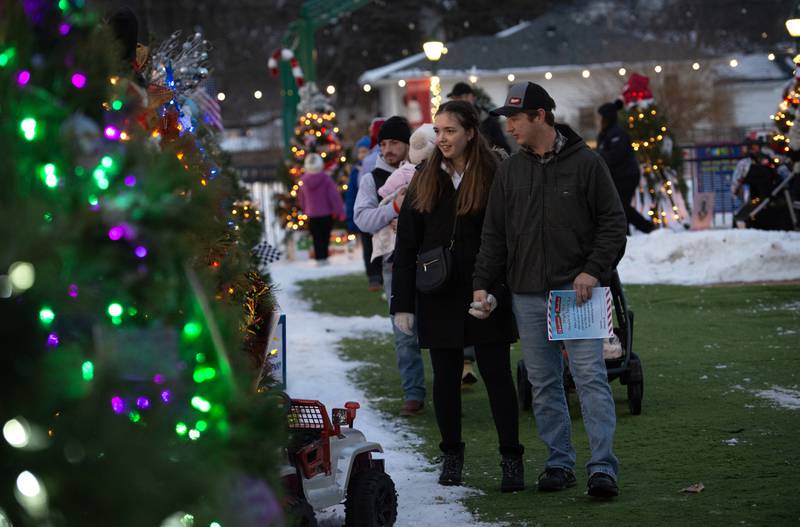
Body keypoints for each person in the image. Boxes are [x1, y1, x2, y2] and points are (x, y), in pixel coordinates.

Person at [472, 82, 627, 498]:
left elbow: (614, 225)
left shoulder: (588, 164)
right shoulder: (510, 171)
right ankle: (559, 463)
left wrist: (592, 272)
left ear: (541, 116)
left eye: (516, 118)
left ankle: (602, 469)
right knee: (542, 383)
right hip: (526, 295)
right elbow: (495, 235)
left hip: (576, 294)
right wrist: (482, 285)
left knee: (590, 378)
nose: (510, 127)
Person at [391, 101, 523, 492]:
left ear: (469, 131)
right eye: (438, 131)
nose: (442, 138)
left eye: (450, 130)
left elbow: (508, 242)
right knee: (445, 378)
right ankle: (451, 456)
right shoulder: (425, 176)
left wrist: (498, 293)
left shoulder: (495, 173)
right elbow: (406, 246)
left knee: (497, 375)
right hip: (438, 291)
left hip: (485, 291)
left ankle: (511, 459)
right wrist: (402, 303)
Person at [354, 116, 426, 417]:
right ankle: (413, 392)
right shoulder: (372, 178)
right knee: (403, 331)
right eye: (383, 144)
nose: (388, 149)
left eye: (394, 142)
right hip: (393, 263)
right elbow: (362, 219)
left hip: (428, 259)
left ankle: (457, 374)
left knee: (439, 325)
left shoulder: (425, 172)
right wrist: (394, 208)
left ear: (408, 144)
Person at [596, 99, 653, 234]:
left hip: (626, 175)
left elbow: (616, 155)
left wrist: (598, 157)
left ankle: (644, 228)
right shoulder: (604, 134)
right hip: (617, 176)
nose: (600, 121)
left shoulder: (617, 133)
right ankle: (629, 231)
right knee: (620, 206)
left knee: (620, 205)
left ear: (607, 118)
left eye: (602, 117)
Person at [345, 135, 383, 290]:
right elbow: (351, 196)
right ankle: (372, 277)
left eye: (365, 151)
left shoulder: (377, 168)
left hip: (377, 214)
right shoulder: (356, 172)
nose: (362, 154)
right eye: (360, 152)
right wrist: (351, 218)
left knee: (379, 246)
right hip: (363, 215)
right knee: (368, 248)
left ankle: (380, 274)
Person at [297, 153, 345, 265]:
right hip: (326, 213)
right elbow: (334, 196)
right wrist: (339, 211)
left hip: (311, 214)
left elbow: (301, 197)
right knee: (325, 236)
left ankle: (319, 258)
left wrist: (304, 209)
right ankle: (324, 257)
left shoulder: (303, 180)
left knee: (316, 237)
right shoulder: (326, 179)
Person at [447, 81, 511, 154]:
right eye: (454, 99)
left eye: (460, 97)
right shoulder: (451, 121)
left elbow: (504, 149)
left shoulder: (488, 121)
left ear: (471, 97)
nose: (457, 102)